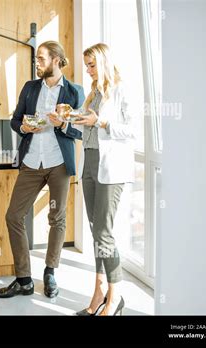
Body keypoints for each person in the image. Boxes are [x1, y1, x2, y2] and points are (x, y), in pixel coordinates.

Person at [0, 41, 85, 299]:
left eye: (42, 59)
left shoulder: (75, 92)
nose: (37, 63)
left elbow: (82, 130)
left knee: (57, 218)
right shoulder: (30, 88)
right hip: (31, 162)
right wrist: (24, 128)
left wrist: (63, 125)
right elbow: (15, 120)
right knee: (13, 216)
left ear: (56, 60)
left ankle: (50, 272)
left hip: (58, 164)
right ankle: (23, 278)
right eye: (37, 59)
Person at [72, 43, 135, 316]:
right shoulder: (93, 92)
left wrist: (101, 123)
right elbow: (88, 128)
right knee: (95, 227)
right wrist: (67, 120)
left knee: (103, 232)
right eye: (86, 65)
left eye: (91, 65)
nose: (87, 70)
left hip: (112, 168)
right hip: (90, 164)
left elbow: (132, 130)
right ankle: (99, 290)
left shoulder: (121, 89)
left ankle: (115, 297)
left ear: (104, 62)